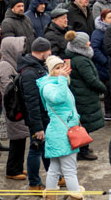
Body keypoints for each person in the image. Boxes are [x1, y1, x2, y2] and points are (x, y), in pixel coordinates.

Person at [38, 55, 86, 198]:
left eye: (61, 67)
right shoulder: (49, 86)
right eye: (57, 68)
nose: (61, 70)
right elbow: (58, 99)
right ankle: (76, 196)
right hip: (63, 133)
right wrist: (63, 79)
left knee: (55, 168)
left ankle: (51, 196)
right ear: (51, 71)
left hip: (61, 131)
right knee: (70, 170)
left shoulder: (57, 83)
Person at [65, 31, 106, 161]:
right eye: (87, 42)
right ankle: (83, 150)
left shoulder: (75, 58)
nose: (90, 43)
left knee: (82, 123)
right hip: (84, 97)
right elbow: (91, 80)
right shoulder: (81, 61)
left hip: (80, 95)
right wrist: (103, 88)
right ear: (81, 46)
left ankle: (83, 148)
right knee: (84, 124)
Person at [18, 37, 52, 190]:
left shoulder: (38, 67)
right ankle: (34, 183)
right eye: (49, 51)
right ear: (43, 52)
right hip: (37, 119)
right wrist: (37, 127)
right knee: (35, 149)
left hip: (44, 116)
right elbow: (31, 103)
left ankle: (53, 176)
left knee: (45, 148)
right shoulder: (29, 73)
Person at [0, 37, 30, 180]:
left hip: (17, 106)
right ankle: (12, 170)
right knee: (17, 139)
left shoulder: (11, 63)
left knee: (20, 138)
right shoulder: (5, 66)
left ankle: (17, 167)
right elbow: (8, 88)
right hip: (13, 108)